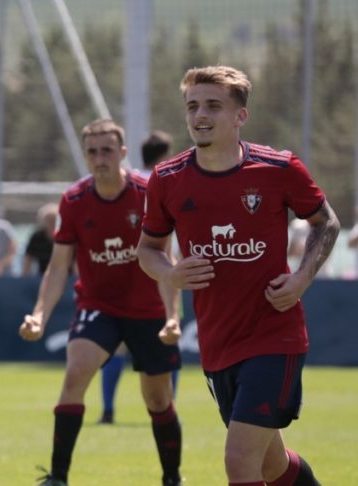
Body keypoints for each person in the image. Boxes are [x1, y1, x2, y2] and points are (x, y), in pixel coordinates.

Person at [137, 65, 339, 486]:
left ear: (240, 116)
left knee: (238, 460)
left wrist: (301, 278)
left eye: (213, 105)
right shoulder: (167, 179)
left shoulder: (278, 168)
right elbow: (148, 250)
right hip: (218, 343)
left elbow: (326, 223)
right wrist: (171, 274)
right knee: (273, 465)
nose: (200, 115)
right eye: (192, 106)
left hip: (274, 335)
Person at [19, 119, 183, 486]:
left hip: (148, 311)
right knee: (76, 372)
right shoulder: (74, 200)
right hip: (98, 306)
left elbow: (166, 260)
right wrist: (39, 315)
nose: (99, 158)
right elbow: (59, 265)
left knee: (157, 400)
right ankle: (58, 477)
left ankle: (172, 477)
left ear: (123, 153)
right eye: (92, 152)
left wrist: (172, 317)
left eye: (107, 150)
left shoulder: (146, 193)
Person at [99, 130, 179, 424]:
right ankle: (169, 409)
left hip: (125, 274)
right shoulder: (165, 182)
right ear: (163, 155)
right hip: (161, 271)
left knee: (115, 349)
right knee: (168, 340)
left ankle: (108, 410)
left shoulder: (128, 182)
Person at [22, 202, 58, 276]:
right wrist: (25, 276)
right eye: (48, 220)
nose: (51, 223)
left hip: (66, 275)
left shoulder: (66, 235)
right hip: (42, 274)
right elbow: (28, 257)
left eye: (54, 220)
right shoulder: (36, 237)